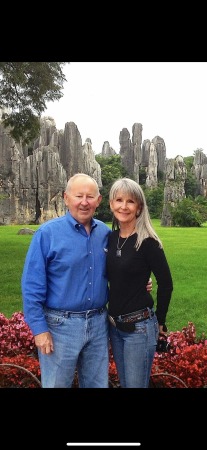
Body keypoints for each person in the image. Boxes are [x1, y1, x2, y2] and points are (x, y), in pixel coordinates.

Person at [22, 173, 152, 388]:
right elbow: (31, 287)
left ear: (99, 201)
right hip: (60, 326)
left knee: (96, 384)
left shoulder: (106, 233)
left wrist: (138, 284)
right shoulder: (47, 234)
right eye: (78, 196)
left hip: (99, 324)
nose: (84, 202)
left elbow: (119, 269)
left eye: (90, 197)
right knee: (57, 385)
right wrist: (39, 330)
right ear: (66, 198)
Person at [106, 177, 173, 388]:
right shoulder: (110, 238)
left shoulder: (148, 242)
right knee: (125, 383)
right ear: (111, 204)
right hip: (115, 326)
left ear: (139, 207)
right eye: (119, 200)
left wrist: (160, 321)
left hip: (139, 328)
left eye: (130, 201)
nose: (123, 206)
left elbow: (166, 283)